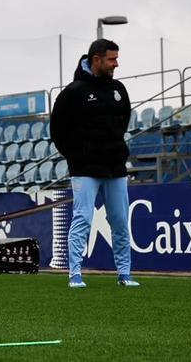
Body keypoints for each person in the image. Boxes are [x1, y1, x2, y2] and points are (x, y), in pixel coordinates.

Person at [50, 39, 139, 288]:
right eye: (112, 59)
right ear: (96, 59)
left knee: (120, 220)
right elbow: (57, 130)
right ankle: (75, 274)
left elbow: (123, 122)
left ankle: (124, 274)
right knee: (83, 219)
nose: (116, 64)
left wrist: (113, 150)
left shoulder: (119, 89)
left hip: (115, 168)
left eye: (116, 58)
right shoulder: (73, 92)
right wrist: (77, 156)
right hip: (85, 169)